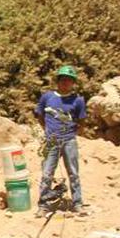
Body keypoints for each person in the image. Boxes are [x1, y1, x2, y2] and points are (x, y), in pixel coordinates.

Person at [35, 65, 86, 216]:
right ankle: (43, 205)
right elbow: (40, 116)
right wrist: (48, 131)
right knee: (47, 174)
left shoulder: (78, 100)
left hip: (69, 141)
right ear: (58, 81)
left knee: (74, 173)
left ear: (73, 83)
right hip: (51, 141)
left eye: (69, 80)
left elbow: (82, 121)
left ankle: (77, 204)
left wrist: (72, 133)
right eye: (63, 80)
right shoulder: (47, 97)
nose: (65, 83)